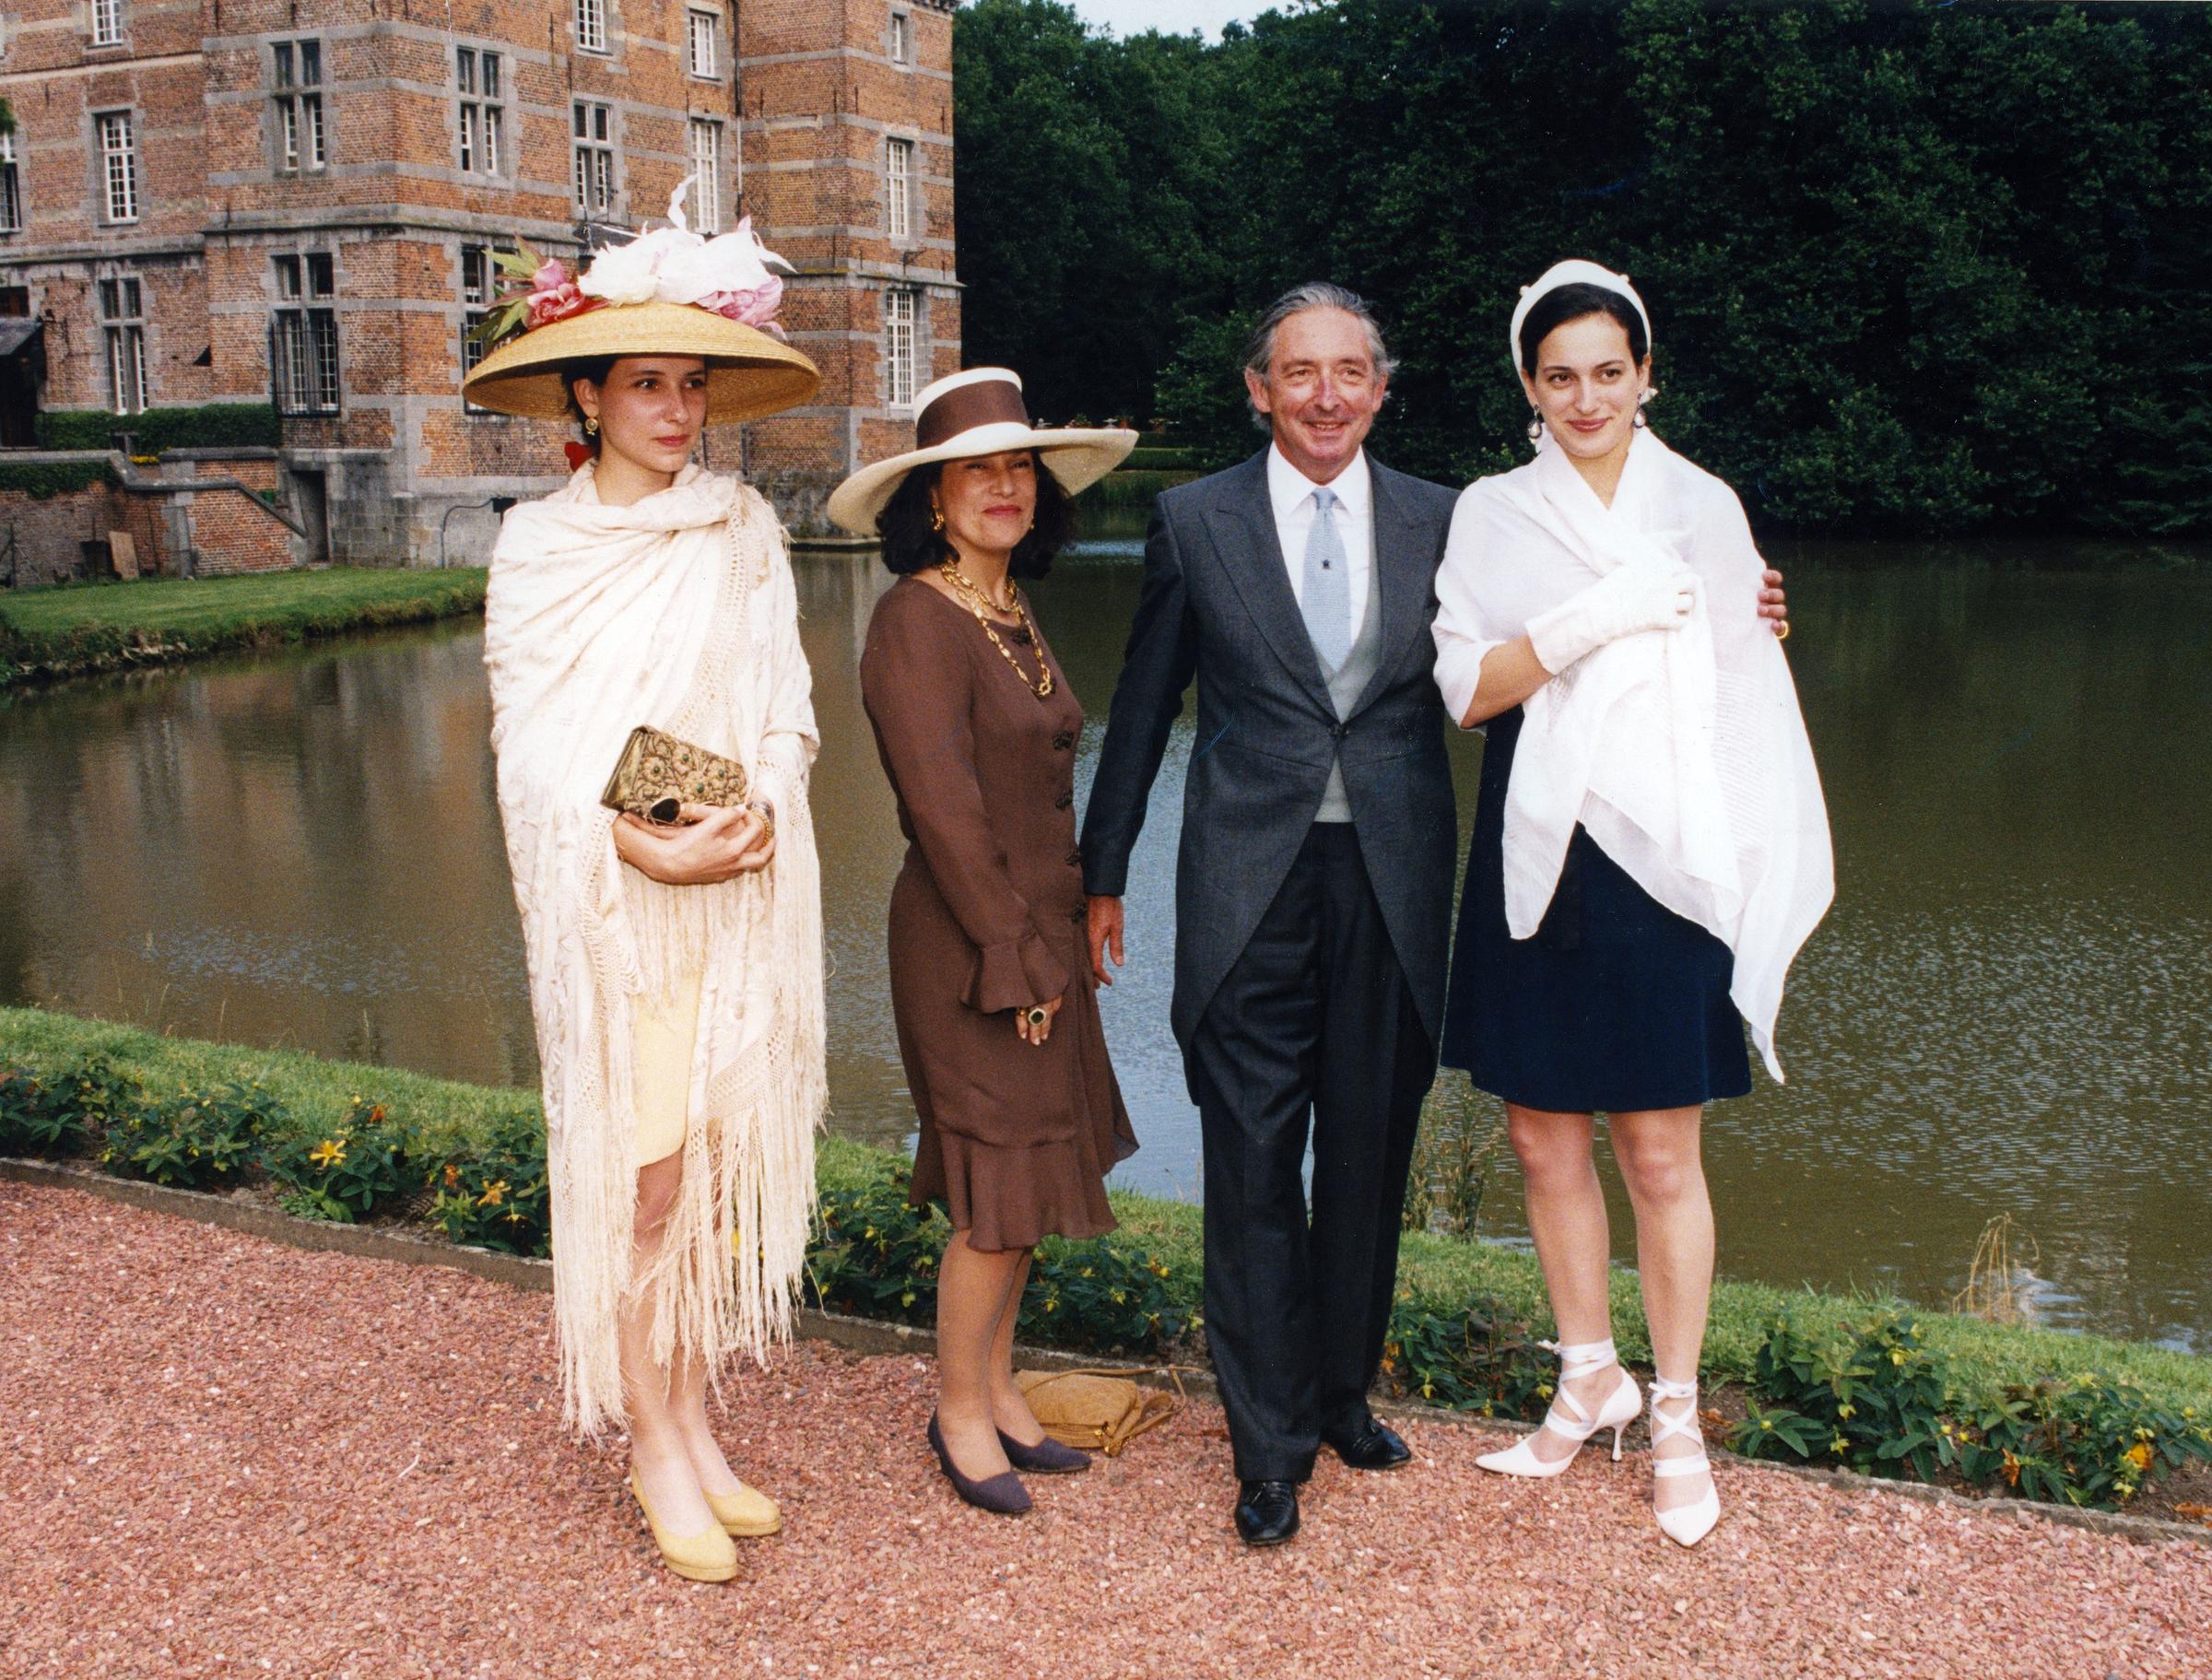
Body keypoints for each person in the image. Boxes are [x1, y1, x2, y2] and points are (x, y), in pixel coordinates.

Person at [1429, 259, 1832, 1547]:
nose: (1585, 395)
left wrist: (1746, 864)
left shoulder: (1703, 507)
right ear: (1528, 390)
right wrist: (1592, 618)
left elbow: (1744, 694)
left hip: (1665, 850)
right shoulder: (1492, 511)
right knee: (1544, 1136)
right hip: (1539, 840)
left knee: (1661, 1150)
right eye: (1559, 376)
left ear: (1647, 376)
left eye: (1610, 370)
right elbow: (1468, 688)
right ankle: (1586, 1374)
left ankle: (1675, 1412)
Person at [464, 192, 828, 1582]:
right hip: (619, 912)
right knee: (643, 1176)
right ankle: (647, 1442)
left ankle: (688, 1414)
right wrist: (643, 833)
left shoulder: (742, 531)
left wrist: (747, 807)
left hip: (731, 896)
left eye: (690, 381)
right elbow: (534, 752)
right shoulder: (540, 552)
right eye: (645, 383)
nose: (675, 409)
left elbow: (784, 706)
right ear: (588, 393)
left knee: (710, 1172)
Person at [828, 369, 1139, 1517]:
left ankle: (1001, 1392)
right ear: (933, 496)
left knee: (1032, 1171)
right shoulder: (916, 617)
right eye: (976, 470)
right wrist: (1016, 960)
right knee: (996, 1190)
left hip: (1036, 935)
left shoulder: (1004, 605)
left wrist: (1060, 930)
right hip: (973, 948)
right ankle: (956, 1410)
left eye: (1019, 468)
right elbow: (944, 815)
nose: (1003, 486)